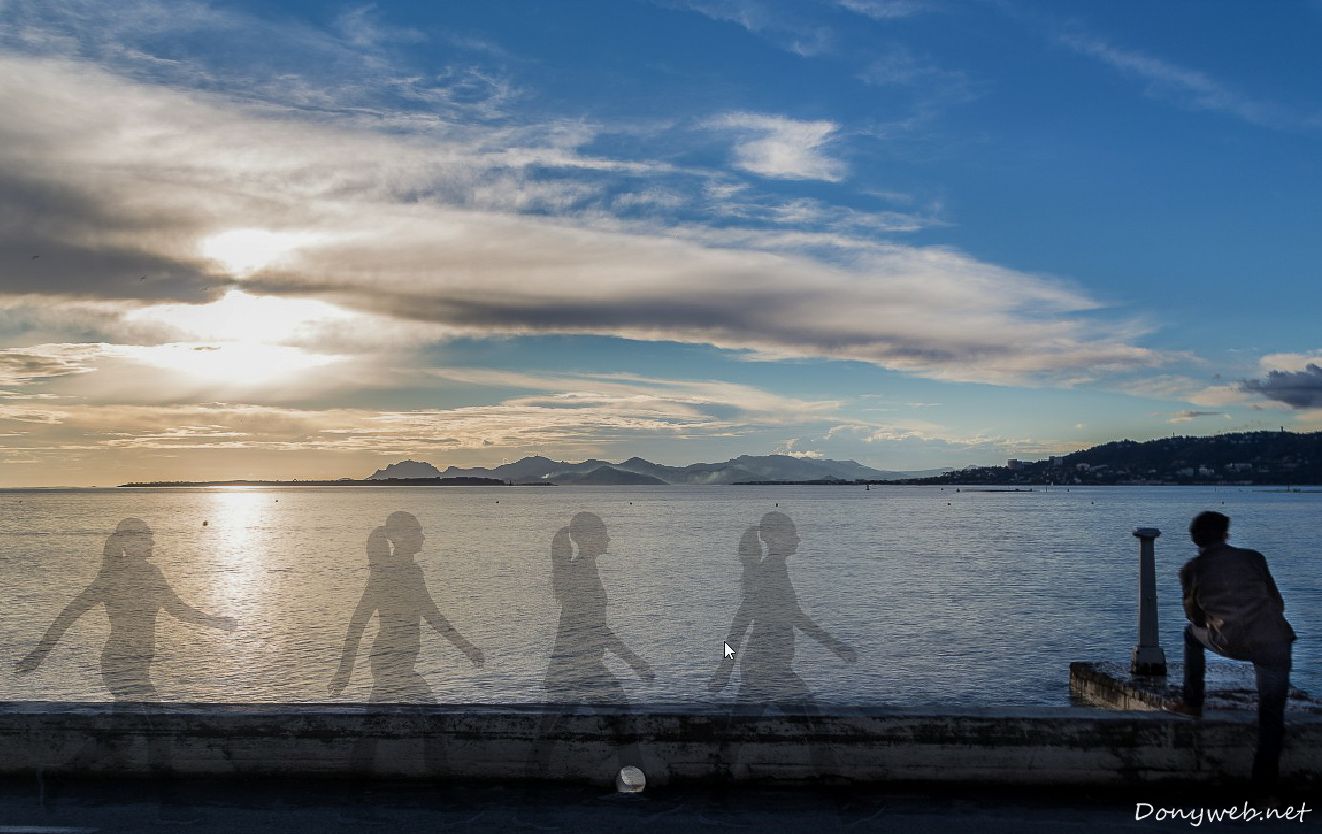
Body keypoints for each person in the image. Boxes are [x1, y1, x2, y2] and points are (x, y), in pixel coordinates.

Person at [15, 517, 237, 697]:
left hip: (139, 663)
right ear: (130, 543)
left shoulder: (151, 574)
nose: (152, 543)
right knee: (151, 723)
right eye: (146, 538)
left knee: (136, 725)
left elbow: (178, 609)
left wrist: (215, 622)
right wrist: (38, 655)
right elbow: (70, 614)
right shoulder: (111, 577)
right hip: (119, 664)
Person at [1172, 510, 1296, 790]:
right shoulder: (1254, 559)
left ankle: (1192, 703)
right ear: (1226, 535)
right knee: (1271, 716)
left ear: (1195, 540)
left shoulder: (1192, 570)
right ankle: (1265, 793)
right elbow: (1277, 602)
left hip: (1230, 640)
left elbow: (1194, 618)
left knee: (1190, 635)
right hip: (1275, 641)